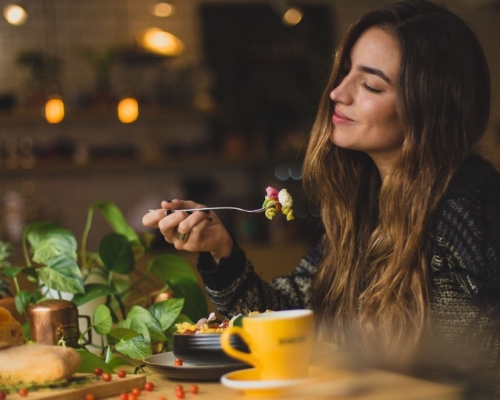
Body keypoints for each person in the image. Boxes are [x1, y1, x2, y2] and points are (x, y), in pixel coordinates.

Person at [143, 0, 500, 397]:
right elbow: (291, 317)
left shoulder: (466, 208)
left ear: (430, 109)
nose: (337, 92)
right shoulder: (367, 202)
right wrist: (221, 251)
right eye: (346, 71)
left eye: (370, 84)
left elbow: (470, 375)